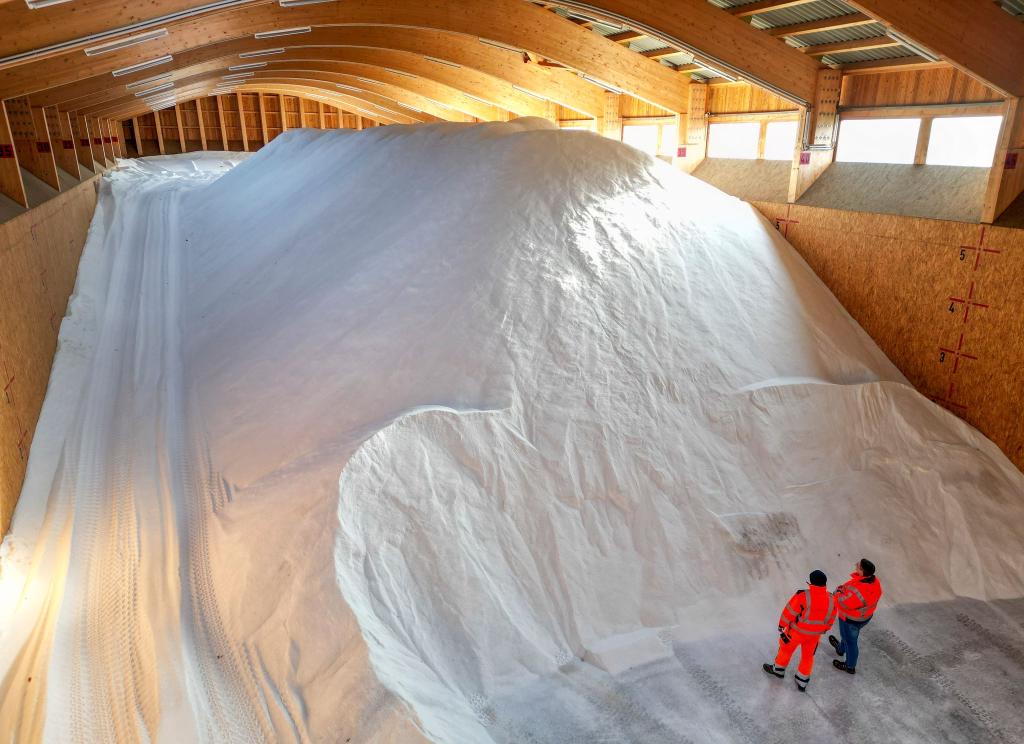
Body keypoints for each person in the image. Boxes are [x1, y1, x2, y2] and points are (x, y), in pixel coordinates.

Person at [763, 569, 837, 692]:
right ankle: (802, 680)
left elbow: (789, 612)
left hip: (796, 633)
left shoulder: (802, 596)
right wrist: (825, 629)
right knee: (808, 656)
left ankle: (778, 670)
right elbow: (831, 617)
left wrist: (782, 625)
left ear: (811, 583)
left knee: (785, 650)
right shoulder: (832, 599)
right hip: (814, 636)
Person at [829, 558, 882, 674]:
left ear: (862, 571)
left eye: (858, 565)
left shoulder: (860, 590)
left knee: (850, 642)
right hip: (864, 617)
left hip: (850, 620)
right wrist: (842, 589)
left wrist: (836, 593)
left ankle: (850, 666)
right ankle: (841, 649)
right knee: (846, 636)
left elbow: (843, 602)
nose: (856, 564)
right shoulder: (874, 581)